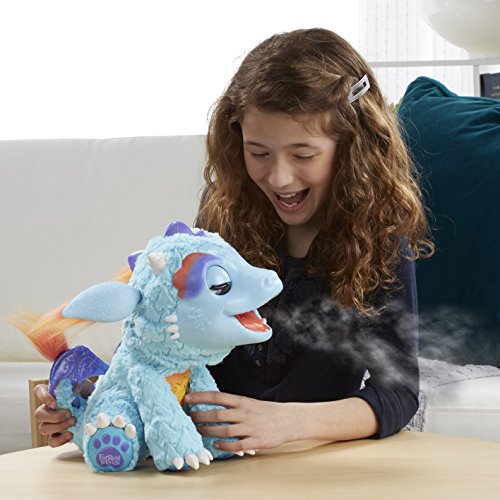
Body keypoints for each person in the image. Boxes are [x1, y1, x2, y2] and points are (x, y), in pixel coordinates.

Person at [32, 28, 434, 454]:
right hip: (203, 455)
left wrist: (287, 422)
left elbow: (398, 394)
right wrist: (99, 398)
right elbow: (161, 341)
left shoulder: (378, 236)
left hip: (309, 460)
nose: (279, 178)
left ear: (351, 147)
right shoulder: (223, 215)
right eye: (258, 152)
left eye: (303, 155)